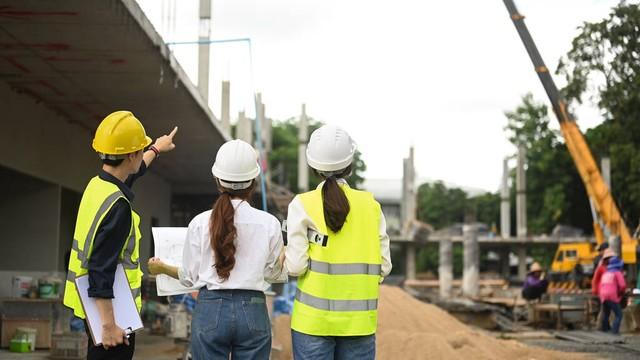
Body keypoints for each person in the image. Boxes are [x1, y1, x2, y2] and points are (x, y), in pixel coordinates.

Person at [148, 139, 287, 360]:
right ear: (253, 181)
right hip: (253, 309)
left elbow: (189, 277)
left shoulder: (200, 222)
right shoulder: (270, 223)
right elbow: (273, 274)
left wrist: (162, 268)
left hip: (210, 309)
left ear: (217, 181)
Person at [63, 111, 177, 359]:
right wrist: (109, 327)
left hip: (90, 306)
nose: (141, 153)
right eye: (140, 149)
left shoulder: (98, 185)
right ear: (130, 155)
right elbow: (100, 269)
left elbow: (134, 171)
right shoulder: (119, 207)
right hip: (113, 314)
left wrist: (156, 148)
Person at [285, 125, 392, 360]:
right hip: (359, 325)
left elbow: (295, 267)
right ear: (350, 163)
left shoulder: (302, 204)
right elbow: (384, 267)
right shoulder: (370, 206)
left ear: (313, 165)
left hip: (312, 324)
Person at [599, 256, 626, 334]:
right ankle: (614, 332)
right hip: (612, 295)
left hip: (603, 295)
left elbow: (601, 285)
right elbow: (622, 285)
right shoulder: (617, 273)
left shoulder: (605, 273)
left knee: (606, 313)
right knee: (619, 314)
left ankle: (604, 331)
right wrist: (621, 292)